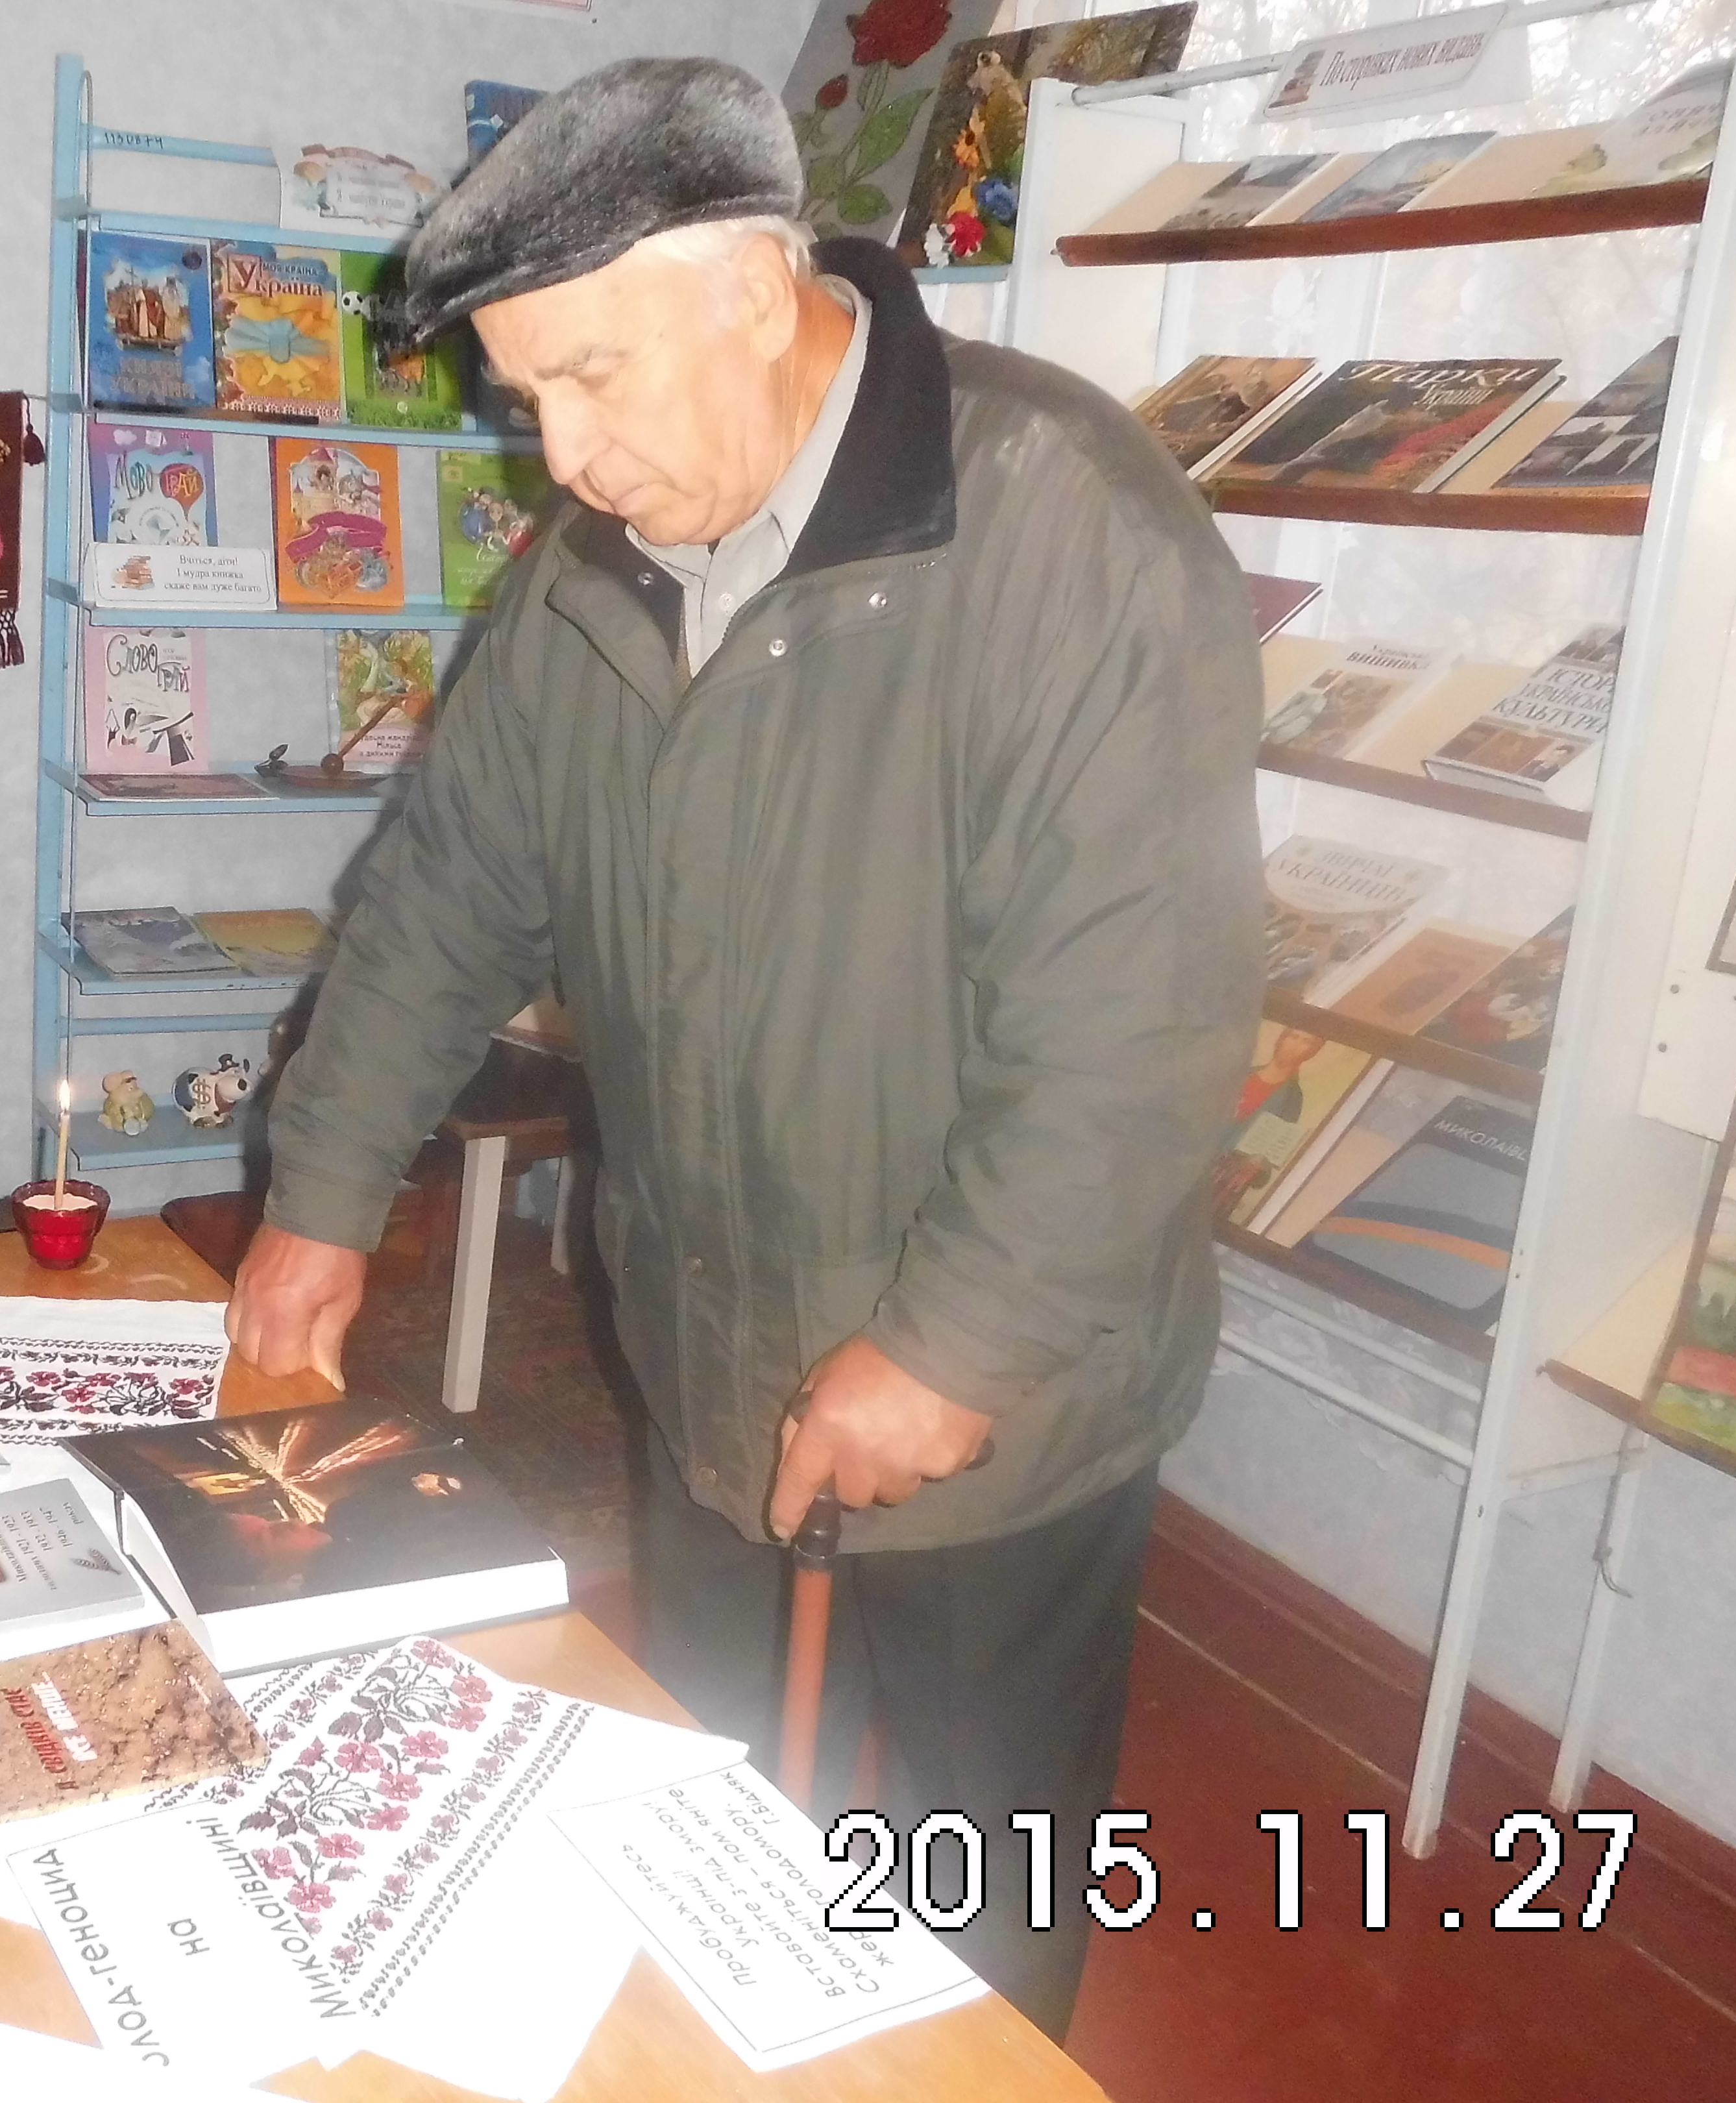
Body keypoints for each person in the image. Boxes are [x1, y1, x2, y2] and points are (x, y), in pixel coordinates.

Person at [223, 57, 1261, 2037]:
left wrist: (949, 1346)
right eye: (528, 398)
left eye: (590, 377)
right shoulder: (591, 572)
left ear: (756, 291)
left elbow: (1141, 1020)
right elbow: (445, 894)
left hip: (1000, 1413)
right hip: (713, 1365)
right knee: (707, 1851)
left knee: (974, 1897)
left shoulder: (1068, 535)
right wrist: (326, 1193)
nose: (564, 453)